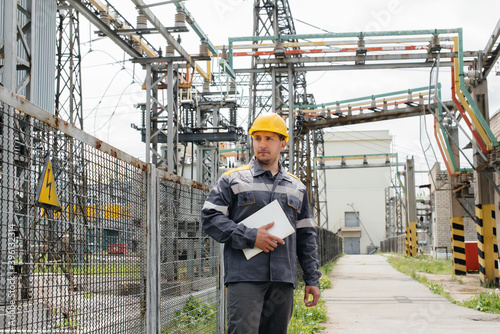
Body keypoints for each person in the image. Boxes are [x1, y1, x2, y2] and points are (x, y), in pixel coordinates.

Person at [201, 112, 321, 334]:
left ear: (283, 143)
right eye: (257, 138)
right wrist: (250, 236)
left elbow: (306, 237)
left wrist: (312, 278)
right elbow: (210, 218)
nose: (262, 144)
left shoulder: (297, 187)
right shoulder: (232, 179)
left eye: (269, 139)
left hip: (282, 280)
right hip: (245, 278)